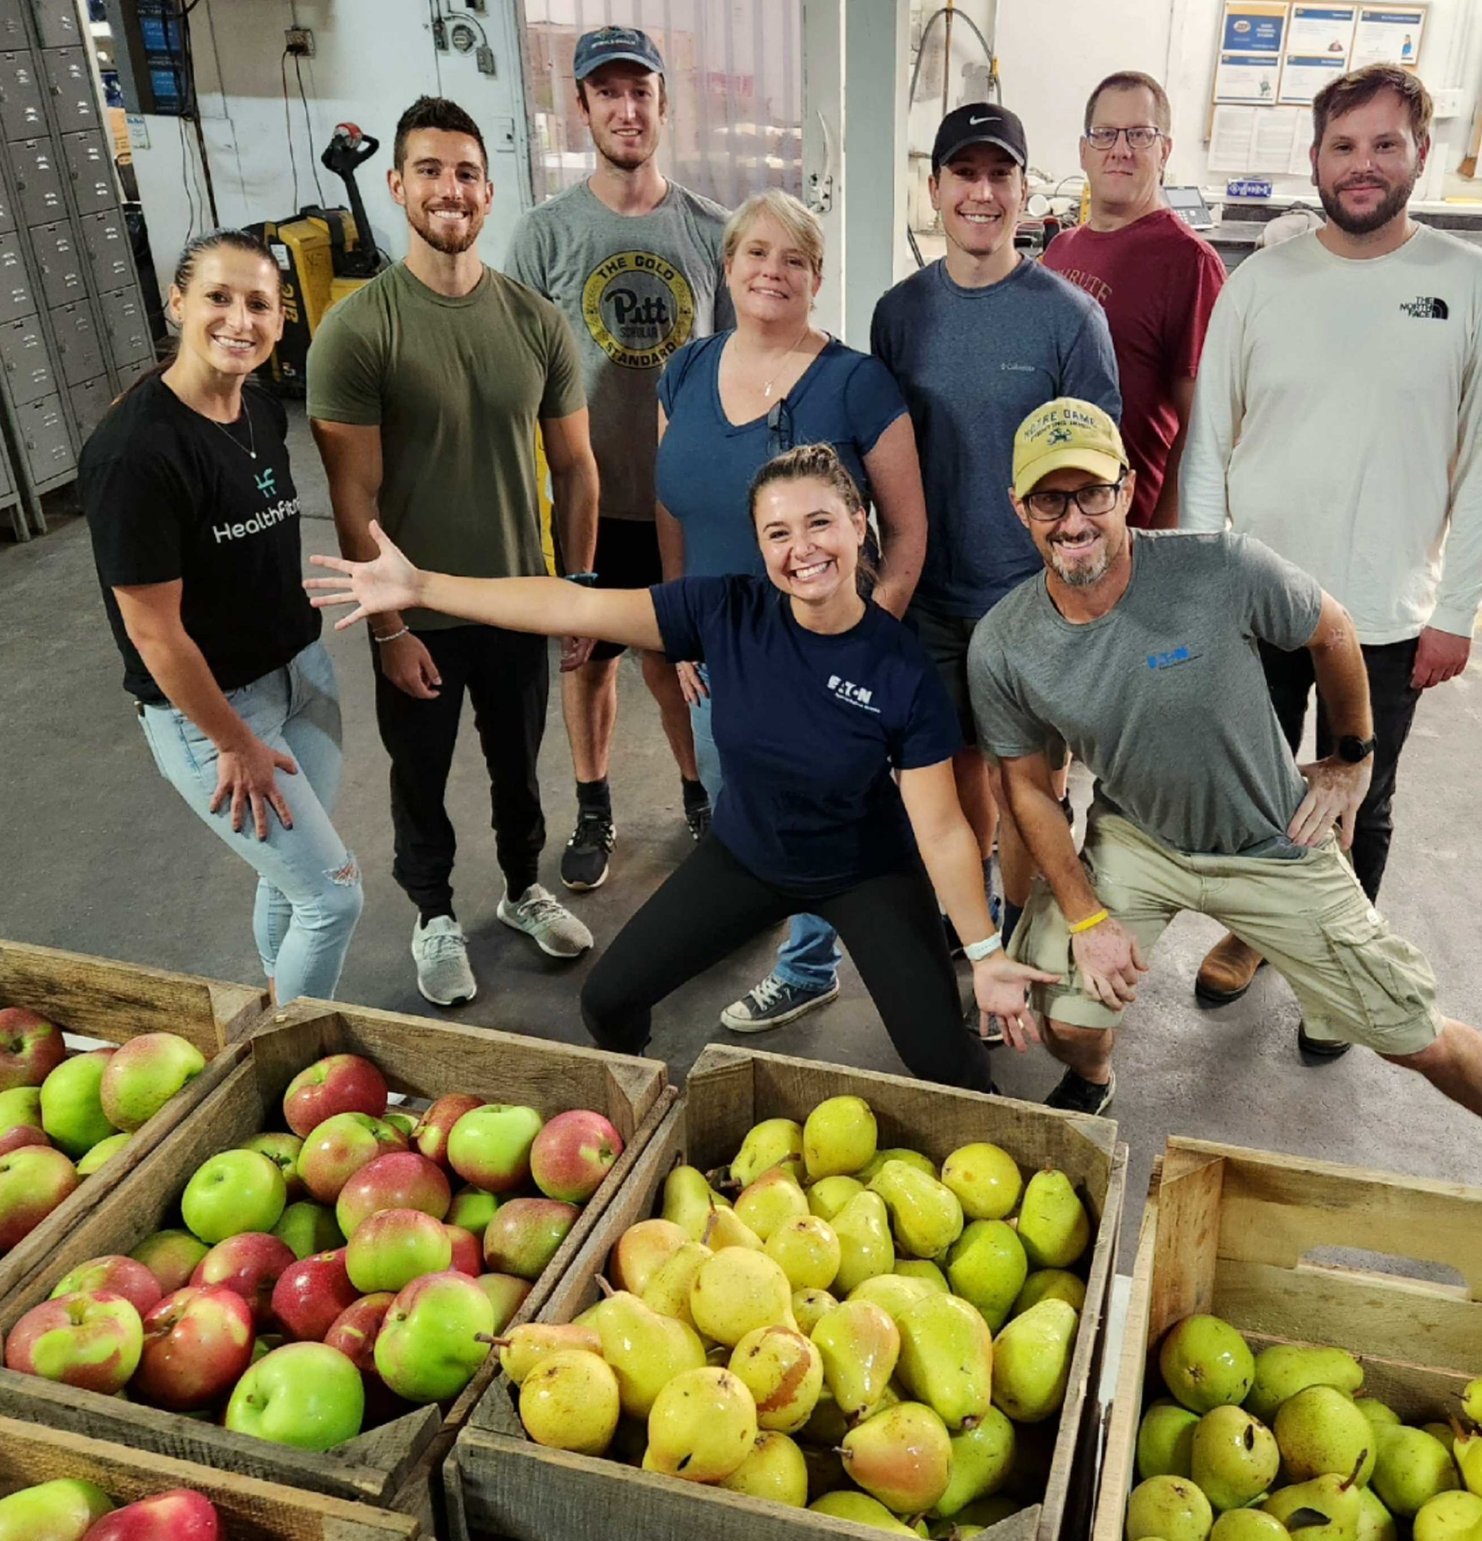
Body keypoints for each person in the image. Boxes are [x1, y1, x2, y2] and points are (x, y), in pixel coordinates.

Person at [967, 398, 1482, 1203]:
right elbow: (1025, 789)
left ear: (1128, 489)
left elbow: (1334, 629)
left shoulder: (1220, 567)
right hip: (1140, 839)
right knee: (1069, 1019)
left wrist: (1353, 757)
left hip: (1271, 839)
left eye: (1092, 494)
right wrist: (1083, 919)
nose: (1073, 520)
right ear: (1020, 508)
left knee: (1408, 1033)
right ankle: (1095, 1076)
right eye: (1051, 500)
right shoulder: (1005, 643)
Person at [309, 444, 1050, 1092]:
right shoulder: (727, 611)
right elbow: (573, 607)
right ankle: (648, 1110)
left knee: (947, 1064)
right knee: (607, 1001)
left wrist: (985, 952)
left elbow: (941, 829)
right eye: (778, 533)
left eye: (820, 523)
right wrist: (423, 588)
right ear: (759, 546)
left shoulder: (901, 669)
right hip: (747, 856)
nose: (802, 549)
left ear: (859, 524)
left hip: (866, 873)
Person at [1179, 64, 1482, 1053]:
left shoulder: (1472, 284)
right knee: (1256, 785)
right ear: (1316, 159)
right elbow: (1209, 445)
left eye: (1383, 145)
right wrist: (1204, 588)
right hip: (1257, 600)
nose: (1361, 165)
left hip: (1386, 609)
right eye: (1343, 146)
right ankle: (1254, 930)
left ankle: (1342, 971)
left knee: (1357, 797)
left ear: (1420, 154)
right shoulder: (1260, 284)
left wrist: (1457, 609)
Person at [307, 96, 597, 1008]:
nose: (450, 189)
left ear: (489, 191)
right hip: (417, 614)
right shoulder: (358, 329)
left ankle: (520, 889)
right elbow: (352, 497)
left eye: (467, 173)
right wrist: (389, 630)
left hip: (514, 599)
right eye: (429, 170)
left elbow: (577, 469)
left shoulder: (536, 321)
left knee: (520, 765)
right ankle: (432, 913)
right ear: (397, 185)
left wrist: (578, 593)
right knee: (420, 774)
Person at [657, 189, 927, 1035]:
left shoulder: (855, 383)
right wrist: (676, 629)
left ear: (817, 277)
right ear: (728, 265)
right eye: (756, 252)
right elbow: (674, 508)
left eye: (796, 259)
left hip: (822, 653)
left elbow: (907, 530)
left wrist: (865, 643)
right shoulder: (686, 371)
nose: (773, 271)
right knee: (741, 805)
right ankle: (757, 922)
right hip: (719, 649)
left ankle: (809, 967)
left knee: (824, 821)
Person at [871, 102, 1120, 1022]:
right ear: (935, 188)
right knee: (960, 770)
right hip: (933, 596)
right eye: (964, 174)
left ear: (1023, 189)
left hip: (1032, 605)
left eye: (1000, 174)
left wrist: (1083, 601)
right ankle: (976, 923)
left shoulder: (1070, 320)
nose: (982, 193)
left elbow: (1098, 478)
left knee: (1032, 786)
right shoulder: (899, 314)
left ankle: (1023, 932)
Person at [81, 229, 361, 1005]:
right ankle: (286, 1059)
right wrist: (233, 741)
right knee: (332, 896)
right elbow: (152, 631)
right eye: (218, 298)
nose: (240, 320)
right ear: (177, 304)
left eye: (259, 304)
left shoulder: (261, 410)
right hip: (215, 713)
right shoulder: (135, 454)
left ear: (280, 319)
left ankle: (272, 1008)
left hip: (300, 675)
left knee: (290, 877)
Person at [505, 26, 727, 890]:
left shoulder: (711, 232)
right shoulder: (544, 235)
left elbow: (737, 374)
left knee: (677, 663)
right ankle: (594, 806)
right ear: (582, 106)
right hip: (585, 502)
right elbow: (518, 381)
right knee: (587, 657)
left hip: (683, 503)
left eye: (641, 92)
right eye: (608, 93)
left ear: (664, 104)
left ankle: (702, 798)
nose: (626, 109)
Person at [1042, 70, 1224, 529]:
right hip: (1056, 524)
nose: (1120, 150)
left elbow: (1204, 428)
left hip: (1133, 530)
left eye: (1139, 134)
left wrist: (1162, 543)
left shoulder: (1189, 262)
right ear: (1083, 151)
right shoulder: (1061, 250)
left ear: (1165, 150)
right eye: (1104, 134)